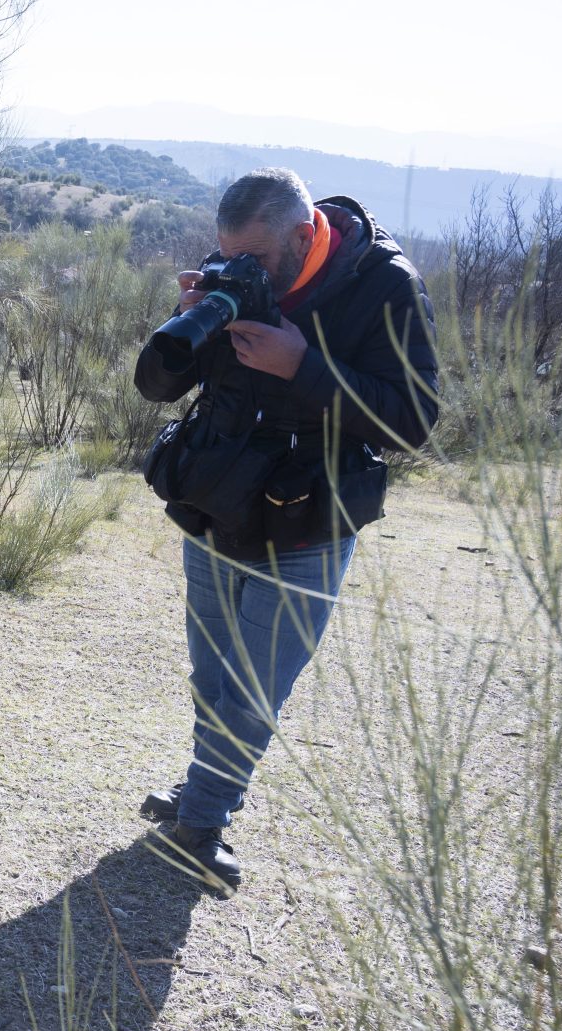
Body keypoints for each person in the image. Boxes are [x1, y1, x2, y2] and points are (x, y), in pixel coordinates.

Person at [132, 167, 439, 893]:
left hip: (307, 526)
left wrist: (303, 365)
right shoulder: (235, 277)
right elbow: (157, 385)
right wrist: (193, 316)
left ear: (305, 237)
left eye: (258, 260)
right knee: (213, 676)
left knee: (253, 688)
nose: (245, 272)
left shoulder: (384, 285)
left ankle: (201, 824)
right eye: (231, 255)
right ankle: (200, 791)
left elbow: (415, 419)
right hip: (214, 508)